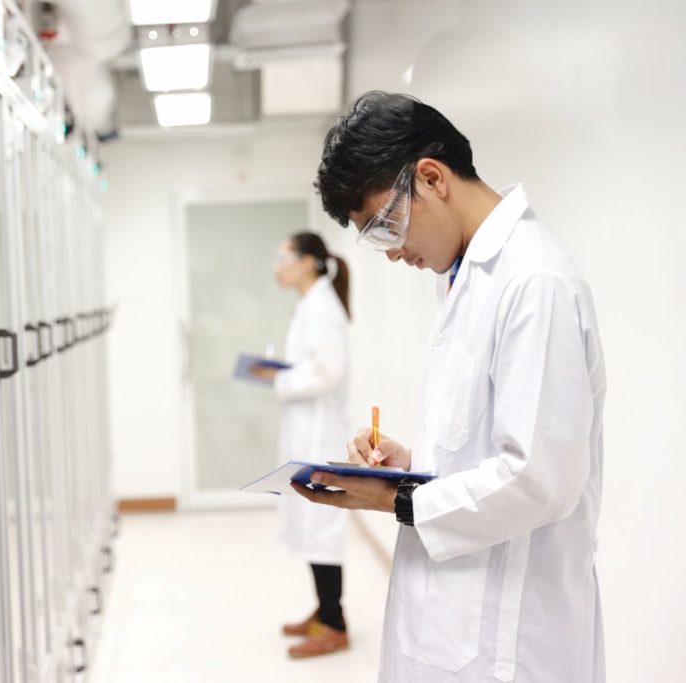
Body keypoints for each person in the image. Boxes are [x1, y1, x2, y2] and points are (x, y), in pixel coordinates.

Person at [294, 91, 606, 682]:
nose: (392, 254)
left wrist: (396, 498)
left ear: (432, 178)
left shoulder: (533, 282)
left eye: (385, 225)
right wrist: (407, 468)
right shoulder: (469, 278)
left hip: (511, 640)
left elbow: (543, 477)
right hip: (452, 614)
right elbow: (491, 446)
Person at [251, 231, 354, 658]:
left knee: (321, 527)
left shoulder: (322, 308)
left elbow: (328, 371)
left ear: (309, 261)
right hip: (306, 427)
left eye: (283, 257)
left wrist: (281, 378)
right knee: (310, 526)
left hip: (318, 432)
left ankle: (334, 623)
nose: (277, 266)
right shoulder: (311, 305)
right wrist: (283, 372)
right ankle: (323, 610)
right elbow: (313, 364)